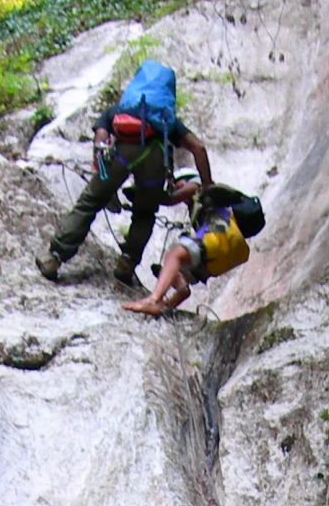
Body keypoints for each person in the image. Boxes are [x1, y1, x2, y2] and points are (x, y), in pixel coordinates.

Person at [36, 60, 213, 290]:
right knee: (145, 212)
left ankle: (54, 259)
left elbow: (101, 134)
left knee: (89, 203)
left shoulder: (121, 110)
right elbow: (198, 148)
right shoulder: (167, 120)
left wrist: (101, 171)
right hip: (155, 160)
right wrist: (208, 186)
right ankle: (127, 264)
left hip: (121, 154)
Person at [122, 190, 259, 316]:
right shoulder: (239, 242)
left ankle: (154, 300)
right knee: (177, 266)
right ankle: (174, 298)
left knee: (174, 254)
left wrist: (146, 196)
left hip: (216, 242)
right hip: (217, 262)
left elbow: (179, 195)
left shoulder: (209, 199)